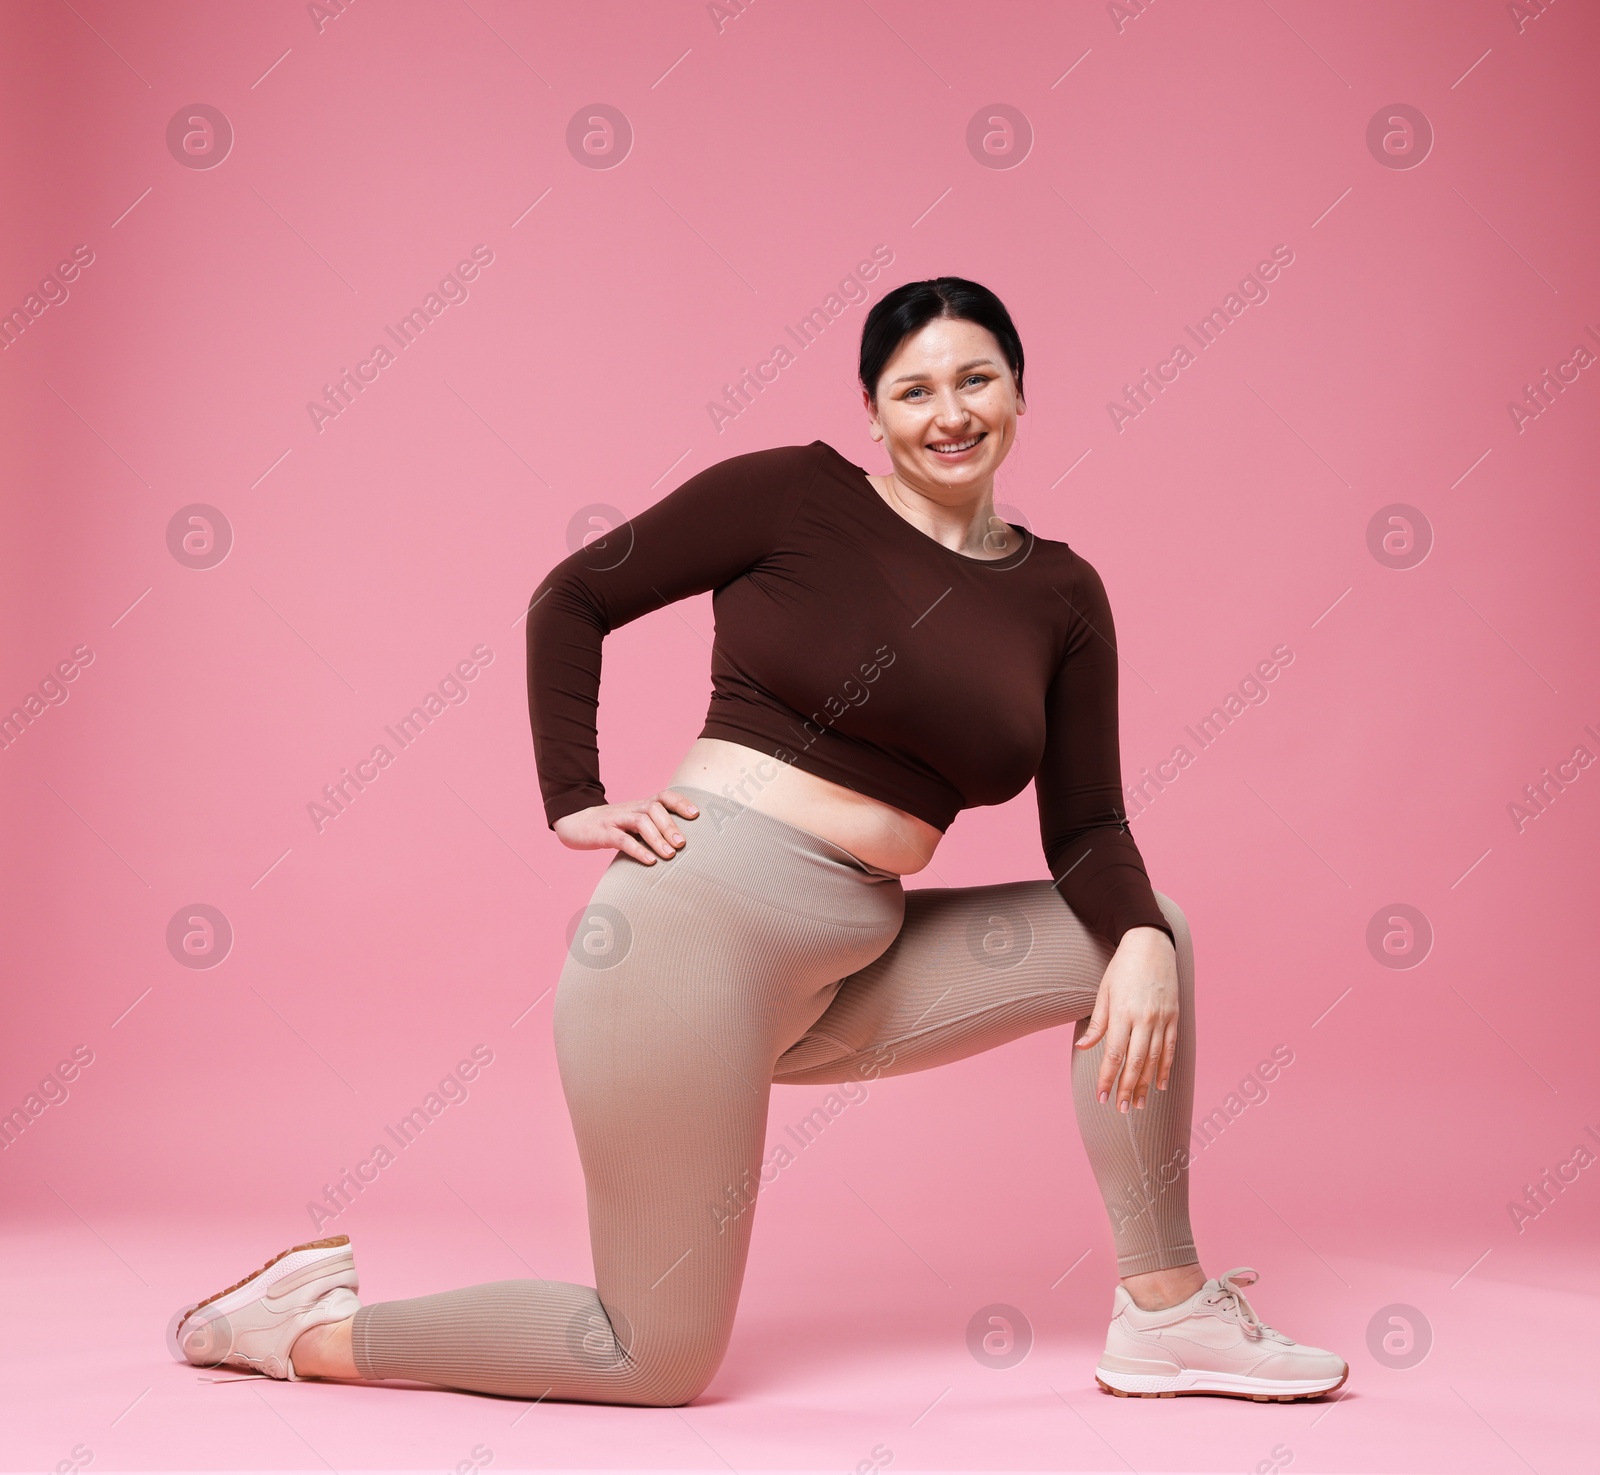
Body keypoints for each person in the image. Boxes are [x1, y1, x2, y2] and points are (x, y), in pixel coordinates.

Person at [171, 277, 1348, 1404]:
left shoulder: (1062, 593)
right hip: (692, 942)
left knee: (1147, 940)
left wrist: (1134, 930)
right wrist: (572, 791)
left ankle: (1165, 1312)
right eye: (913, 389)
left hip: (855, 952)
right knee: (651, 1354)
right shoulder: (794, 495)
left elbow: (1086, 821)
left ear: (1020, 394)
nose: (950, 412)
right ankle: (304, 1331)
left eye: (975, 379)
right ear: (873, 414)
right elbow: (573, 594)